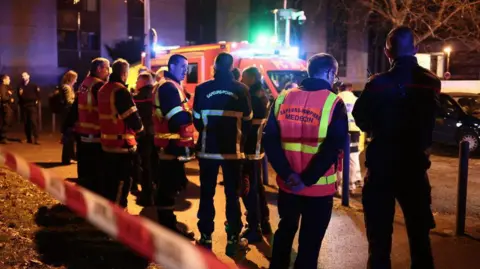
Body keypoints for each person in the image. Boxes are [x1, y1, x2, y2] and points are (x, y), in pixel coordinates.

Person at [353, 26, 439, 269]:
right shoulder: (431, 82)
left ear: (388, 52)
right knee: (420, 239)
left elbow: (361, 118)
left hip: (382, 168)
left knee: (379, 240)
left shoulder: (378, 83)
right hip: (414, 167)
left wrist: (377, 126)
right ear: (415, 49)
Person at [264, 53, 348, 269]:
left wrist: (287, 174)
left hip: (288, 186)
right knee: (310, 245)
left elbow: (270, 141)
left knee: (284, 233)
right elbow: (333, 147)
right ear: (330, 73)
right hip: (318, 190)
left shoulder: (281, 98)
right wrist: (307, 179)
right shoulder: (333, 102)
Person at [193, 52, 252, 257]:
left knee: (206, 194)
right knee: (232, 196)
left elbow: (197, 121)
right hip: (232, 153)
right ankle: (233, 238)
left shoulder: (202, 89)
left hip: (208, 151)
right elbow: (248, 119)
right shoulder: (242, 89)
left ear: (215, 66)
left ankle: (206, 237)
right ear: (232, 66)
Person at [152, 54, 196, 239]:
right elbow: (176, 117)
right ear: (171, 66)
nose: (186, 70)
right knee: (167, 188)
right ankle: (167, 228)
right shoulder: (168, 88)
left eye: (187, 67)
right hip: (169, 146)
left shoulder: (173, 86)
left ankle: (167, 224)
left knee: (172, 186)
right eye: (182, 66)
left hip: (172, 147)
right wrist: (195, 116)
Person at [98, 59, 143, 208]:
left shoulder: (103, 89)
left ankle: (108, 214)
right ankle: (117, 216)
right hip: (122, 145)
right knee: (122, 182)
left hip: (106, 144)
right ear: (124, 74)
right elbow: (133, 119)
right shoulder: (120, 91)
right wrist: (140, 129)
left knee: (109, 182)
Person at [63, 58, 110, 192]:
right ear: (100, 69)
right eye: (107, 69)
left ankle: (82, 197)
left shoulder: (85, 83)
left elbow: (75, 107)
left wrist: (67, 127)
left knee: (84, 169)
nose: (108, 72)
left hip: (82, 133)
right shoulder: (99, 86)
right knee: (95, 173)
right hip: (95, 135)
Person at [239, 66, 272, 242]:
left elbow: (244, 124)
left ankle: (254, 227)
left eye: (243, 78)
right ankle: (264, 221)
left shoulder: (250, 97)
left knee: (248, 189)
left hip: (248, 149)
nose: (241, 81)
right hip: (257, 149)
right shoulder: (262, 94)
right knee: (257, 187)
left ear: (251, 78)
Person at [132, 72, 156, 206]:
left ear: (143, 82)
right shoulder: (156, 94)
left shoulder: (137, 97)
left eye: (137, 81)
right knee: (155, 163)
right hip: (157, 134)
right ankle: (156, 191)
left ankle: (147, 196)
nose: (136, 83)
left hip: (143, 135)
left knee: (144, 165)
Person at [336, 82, 363, 195]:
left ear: (340, 89)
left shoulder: (336, 99)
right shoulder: (357, 100)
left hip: (339, 131)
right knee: (352, 158)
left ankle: (340, 188)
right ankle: (351, 185)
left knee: (339, 160)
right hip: (354, 132)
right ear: (350, 89)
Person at [59, 70, 78, 163]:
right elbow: (68, 101)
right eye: (75, 79)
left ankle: (69, 157)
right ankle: (66, 158)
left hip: (66, 115)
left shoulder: (66, 87)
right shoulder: (67, 88)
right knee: (68, 137)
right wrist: (76, 101)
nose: (76, 81)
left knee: (69, 137)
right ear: (71, 78)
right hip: (68, 115)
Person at [18, 72, 41, 144]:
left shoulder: (33, 85)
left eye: (25, 75)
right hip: (24, 106)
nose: (23, 77)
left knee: (33, 121)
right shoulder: (20, 86)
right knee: (26, 123)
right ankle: (29, 138)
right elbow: (19, 96)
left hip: (32, 106)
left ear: (28, 76)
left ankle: (36, 138)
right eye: (22, 76)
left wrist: (36, 102)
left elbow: (38, 95)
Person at [0, 74, 15, 144]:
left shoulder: (6, 87)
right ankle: (3, 137)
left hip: (7, 106)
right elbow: (4, 98)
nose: (9, 80)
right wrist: (10, 98)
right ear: (4, 80)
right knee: (6, 122)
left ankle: (3, 137)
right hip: (5, 106)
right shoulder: (3, 87)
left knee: (7, 122)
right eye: (8, 79)